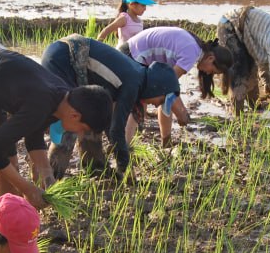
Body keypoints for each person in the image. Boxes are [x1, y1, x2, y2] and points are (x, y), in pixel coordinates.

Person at [0, 43, 113, 210]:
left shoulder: (63, 98)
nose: (79, 133)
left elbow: (33, 134)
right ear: (75, 115)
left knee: (8, 160)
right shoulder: (41, 103)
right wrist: (27, 188)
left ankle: (4, 219)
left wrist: (47, 174)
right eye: (82, 128)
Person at [41, 34, 183, 177]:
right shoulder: (133, 83)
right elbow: (116, 130)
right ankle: (51, 176)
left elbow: (111, 124)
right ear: (156, 87)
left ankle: (95, 168)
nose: (157, 104)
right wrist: (124, 166)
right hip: (65, 59)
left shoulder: (137, 76)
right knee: (72, 119)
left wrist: (120, 153)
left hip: (67, 53)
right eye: (161, 99)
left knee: (93, 116)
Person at [122, 26, 234, 145]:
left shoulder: (195, 47)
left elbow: (166, 93)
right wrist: (181, 113)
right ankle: (122, 148)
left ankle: (164, 142)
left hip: (133, 53)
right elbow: (167, 86)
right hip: (132, 55)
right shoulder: (192, 53)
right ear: (211, 58)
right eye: (212, 71)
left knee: (153, 102)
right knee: (139, 106)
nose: (208, 73)